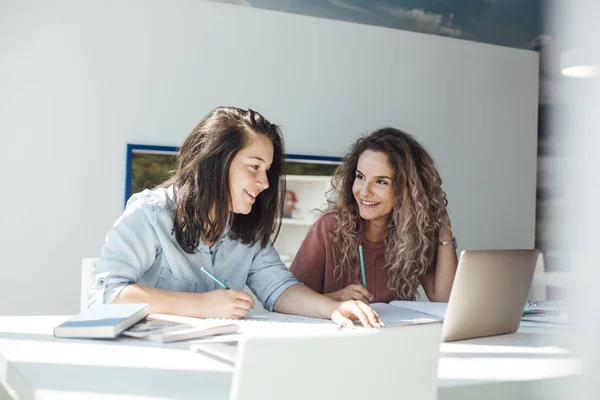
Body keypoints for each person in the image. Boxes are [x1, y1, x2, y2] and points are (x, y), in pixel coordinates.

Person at [90, 106, 382, 328]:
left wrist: (331, 309)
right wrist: (202, 305)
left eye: (267, 170)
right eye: (254, 167)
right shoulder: (150, 214)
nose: (265, 183)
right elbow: (110, 295)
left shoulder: (248, 230)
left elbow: (279, 288)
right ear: (215, 162)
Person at [290, 127, 458, 304]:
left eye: (381, 182)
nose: (364, 192)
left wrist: (443, 227)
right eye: (360, 177)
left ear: (408, 190)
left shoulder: (417, 234)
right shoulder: (329, 226)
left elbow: (445, 300)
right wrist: (336, 299)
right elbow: (290, 300)